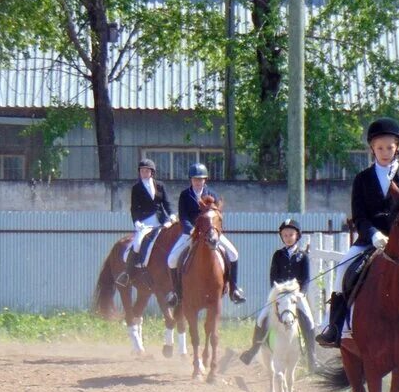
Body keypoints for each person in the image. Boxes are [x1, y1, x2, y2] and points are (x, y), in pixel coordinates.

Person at [315, 117, 399, 348]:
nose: (385, 152)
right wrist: (374, 234)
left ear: (398, 147)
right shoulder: (362, 179)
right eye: (380, 147)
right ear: (372, 148)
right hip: (370, 240)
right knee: (343, 269)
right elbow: (359, 216)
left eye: (389, 147)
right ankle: (334, 327)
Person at [240, 218, 318, 370]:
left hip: (296, 296)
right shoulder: (278, 255)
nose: (288, 237)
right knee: (261, 318)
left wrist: (301, 293)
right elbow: (273, 277)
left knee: (308, 319)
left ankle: (311, 356)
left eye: (291, 234)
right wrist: (277, 294)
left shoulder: (303, 256)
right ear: (282, 237)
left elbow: (306, 279)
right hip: (280, 295)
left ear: (297, 235)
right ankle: (253, 350)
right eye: (285, 235)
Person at [165, 162, 245, 307]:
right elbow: (183, 216)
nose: (198, 182)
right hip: (191, 232)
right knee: (171, 259)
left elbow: (217, 215)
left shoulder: (212, 194)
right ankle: (176, 292)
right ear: (191, 180)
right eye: (195, 179)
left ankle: (234, 289)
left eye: (201, 179)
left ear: (205, 180)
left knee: (233, 253)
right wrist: (190, 229)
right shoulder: (185, 195)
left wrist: (214, 230)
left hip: (211, 232)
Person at [116, 157, 173, 287]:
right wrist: (136, 222)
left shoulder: (160, 185)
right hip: (145, 222)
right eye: (142, 171)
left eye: (147, 171)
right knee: (137, 243)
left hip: (161, 221)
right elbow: (134, 207)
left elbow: (167, 203)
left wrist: (172, 216)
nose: (144, 173)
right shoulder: (136, 188)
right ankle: (127, 273)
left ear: (152, 172)